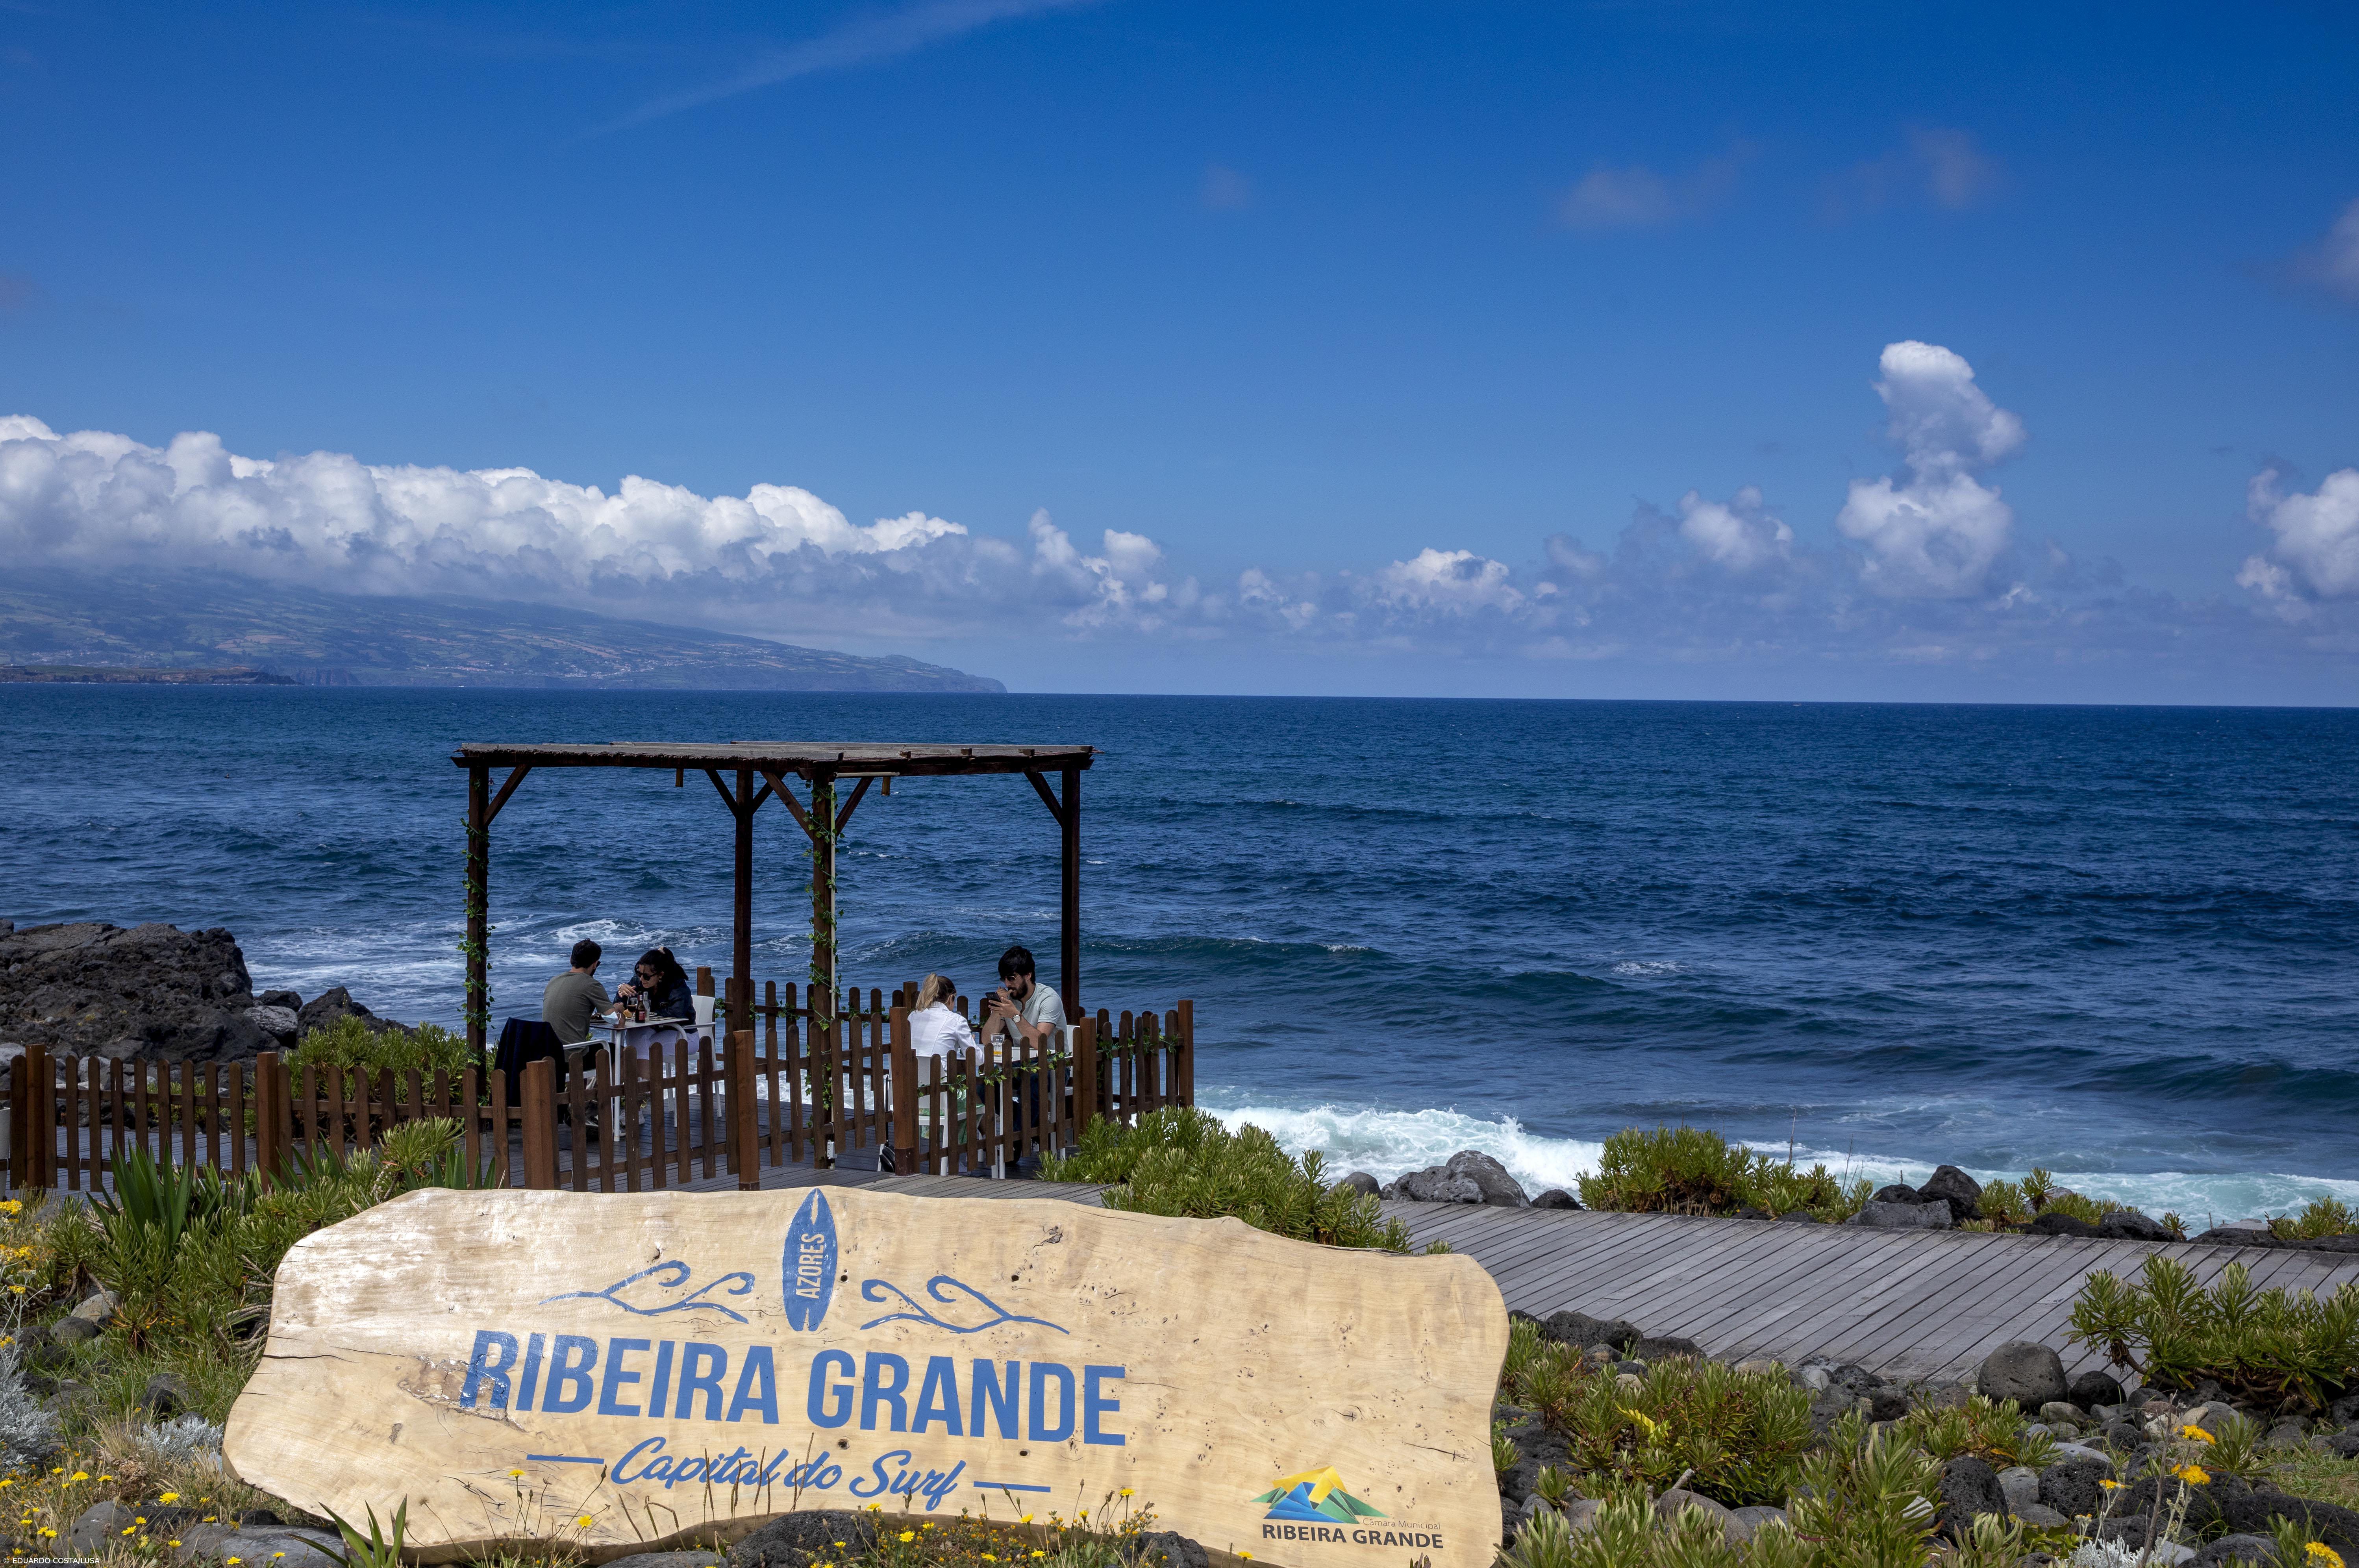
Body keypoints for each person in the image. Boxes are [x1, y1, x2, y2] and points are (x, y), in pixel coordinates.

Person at [981, 945, 1065, 1050]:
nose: (1007, 985)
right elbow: (987, 1041)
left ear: (1028, 975)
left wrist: (1015, 1016)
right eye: (1004, 979)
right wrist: (997, 1010)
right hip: (1020, 1063)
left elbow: (1040, 1044)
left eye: (1012, 978)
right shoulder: (1009, 1000)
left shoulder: (1048, 999)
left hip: (1053, 1063)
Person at [542, 939, 614, 1046]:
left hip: (547, 1051)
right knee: (619, 1051)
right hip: (572, 1052)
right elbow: (616, 1020)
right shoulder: (591, 984)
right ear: (595, 964)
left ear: (571, 959)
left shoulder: (554, 980)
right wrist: (618, 1010)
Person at [907, 973, 979, 1061]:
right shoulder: (956, 1020)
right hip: (939, 1074)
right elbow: (978, 1059)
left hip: (910, 1073)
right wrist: (968, 1042)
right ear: (951, 998)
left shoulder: (913, 1016)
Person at [615, 946, 695, 1023]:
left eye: (646, 976)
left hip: (680, 1030)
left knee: (644, 1035)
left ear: (660, 975)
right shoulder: (638, 981)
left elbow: (677, 1013)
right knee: (635, 1034)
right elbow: (621, 1006)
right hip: (653, 1028)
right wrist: (622, 993)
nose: (642, 979)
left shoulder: (677, 986)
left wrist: (645, 1011)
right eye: (639, 974)